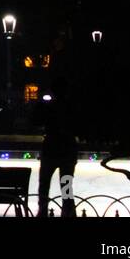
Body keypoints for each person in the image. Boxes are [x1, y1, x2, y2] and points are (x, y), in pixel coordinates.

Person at [35, 83, 78, 217]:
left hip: (51, 150)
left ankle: (43, 210)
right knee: (66, 184)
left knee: (44, 184)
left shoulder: (49, 108)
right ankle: (68, 210)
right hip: (67, 151)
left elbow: (36, 121)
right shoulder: (71, 108)